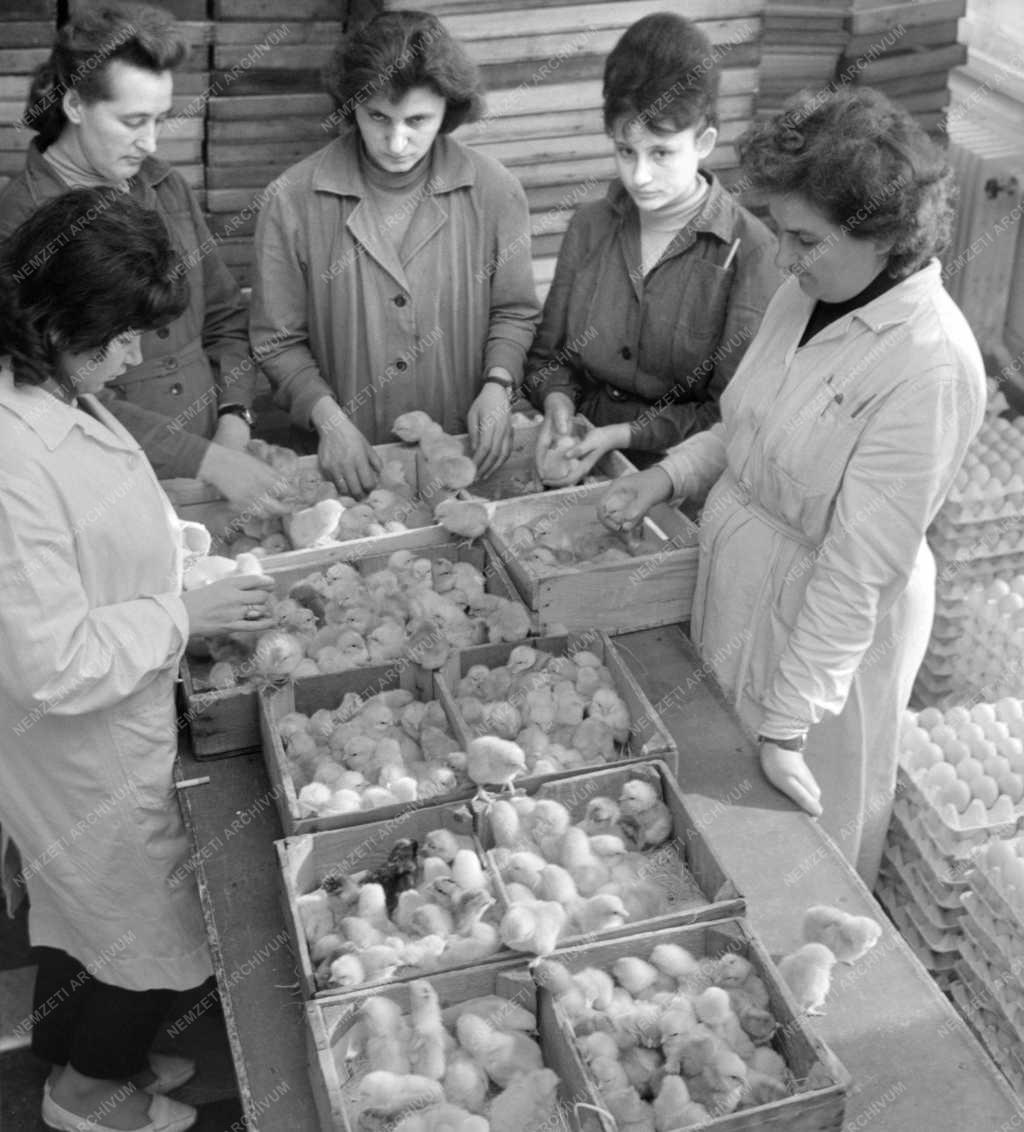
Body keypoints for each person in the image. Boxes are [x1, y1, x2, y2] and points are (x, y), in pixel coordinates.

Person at [600, 86, 986, 884]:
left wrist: (788, 722)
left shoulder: (927, 362)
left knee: (798, 847)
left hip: (830, 630)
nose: (783, 255)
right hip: (747, 570)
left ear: (881, 235)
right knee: (714, 804)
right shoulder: (807, 290)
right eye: (780, 230)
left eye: (803, 238)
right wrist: (668, 478)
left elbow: (860, 567)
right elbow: (750, 426)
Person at [0, 189, 278, 1132]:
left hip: (110, 721)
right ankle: (84, 1096)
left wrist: (184, 561)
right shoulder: (11, 454)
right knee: (145, 919)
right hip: (82, 743)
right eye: (118, 337)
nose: (132, 358)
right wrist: (181, 613)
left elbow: (105, 525)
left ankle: (66, 1052)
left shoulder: (54, 391)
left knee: (82, 909)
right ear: (55, 320)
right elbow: (48, 661)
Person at [0, 1, 288, 518]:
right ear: (73, 105)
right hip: (102, 495)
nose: (151, 142)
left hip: (211, 478)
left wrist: (233, 421)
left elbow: (225, 317)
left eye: (159, 119)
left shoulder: (165, 186)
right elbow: (44, 386)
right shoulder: (21, 226)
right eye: (132, 121)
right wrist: (206, 459)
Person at [250, 8, 540, 497]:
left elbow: (514, 310)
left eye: (418, 120)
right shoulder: (291, 199)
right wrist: (329, 422)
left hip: (461, 457)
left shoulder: (495, 190)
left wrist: (498, 384)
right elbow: (277, 341)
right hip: (347, 466)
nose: (397, 141)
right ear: (351, 107)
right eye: (377, 117)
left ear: (450, 108)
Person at [526, 12, 779, 484]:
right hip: (579, 461)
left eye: (661, 153)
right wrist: (558, 406)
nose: (639, 177)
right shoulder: (589, 226)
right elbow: (549, 360)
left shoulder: (751, 253)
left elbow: (731, 415)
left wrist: (624, 434)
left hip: (679, 479)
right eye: (626, 152)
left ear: (704, 141)